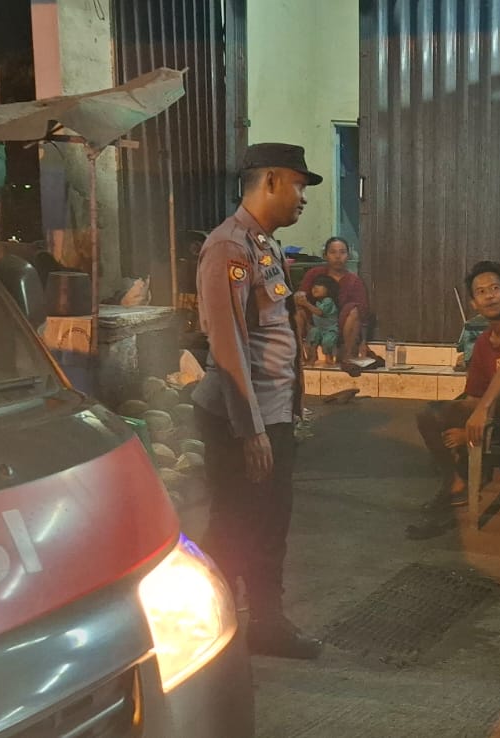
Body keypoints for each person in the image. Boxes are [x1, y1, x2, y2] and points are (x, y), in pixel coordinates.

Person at [192, 142, 325, 659]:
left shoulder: (262, 244)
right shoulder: (228, 247)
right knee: (232, 528)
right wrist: (250, 431)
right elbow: (228, 345)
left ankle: (267, 624)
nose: (303, 197)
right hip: (241, 421)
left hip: (272, 414)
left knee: (269, 525)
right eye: (298, 184)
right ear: (270, 180)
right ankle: (209, 631)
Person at [410, 261, 500, 522]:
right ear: (473, 304)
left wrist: (479, 418)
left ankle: (478, 437)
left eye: (495, 288)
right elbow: (474, 397)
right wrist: (465, 418)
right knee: (427, 414)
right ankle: (455, 483)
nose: (489, 296)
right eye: (481, 292)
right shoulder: (481, 344)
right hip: (499, 419)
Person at [297, 237, 371, 360]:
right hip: (315, 324)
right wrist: (299, 298)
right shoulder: (314, 274)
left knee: (354, 310)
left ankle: (347, 357)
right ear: (325, 255)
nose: (337, 257)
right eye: (333, 252)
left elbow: (363, 315)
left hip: (340, 327)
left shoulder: (354, 281)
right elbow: (301, 296)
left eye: (342, 252)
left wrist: (364, 341)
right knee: (298, 311)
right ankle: (300, 357)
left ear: (348, 256)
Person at [301, 274, 342, 365]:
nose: (315, 288)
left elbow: (320, 312)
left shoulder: (328, 301)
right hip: (319, 329)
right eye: (314, 286)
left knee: (327, 341)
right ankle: (313, 356)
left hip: (330, 329)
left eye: (320, 285)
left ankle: (328, 357)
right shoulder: (317, 302)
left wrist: (306, 303)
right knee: (312, 334)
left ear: (329, 289)